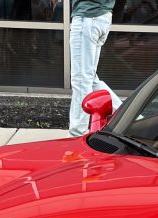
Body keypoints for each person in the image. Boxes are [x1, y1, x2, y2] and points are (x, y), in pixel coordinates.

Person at [68, 0, 122, 136]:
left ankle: (77, 134)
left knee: (81, 80)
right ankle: (128, 118)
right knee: (90, 80)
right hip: (101, 16)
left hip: (88, 16)